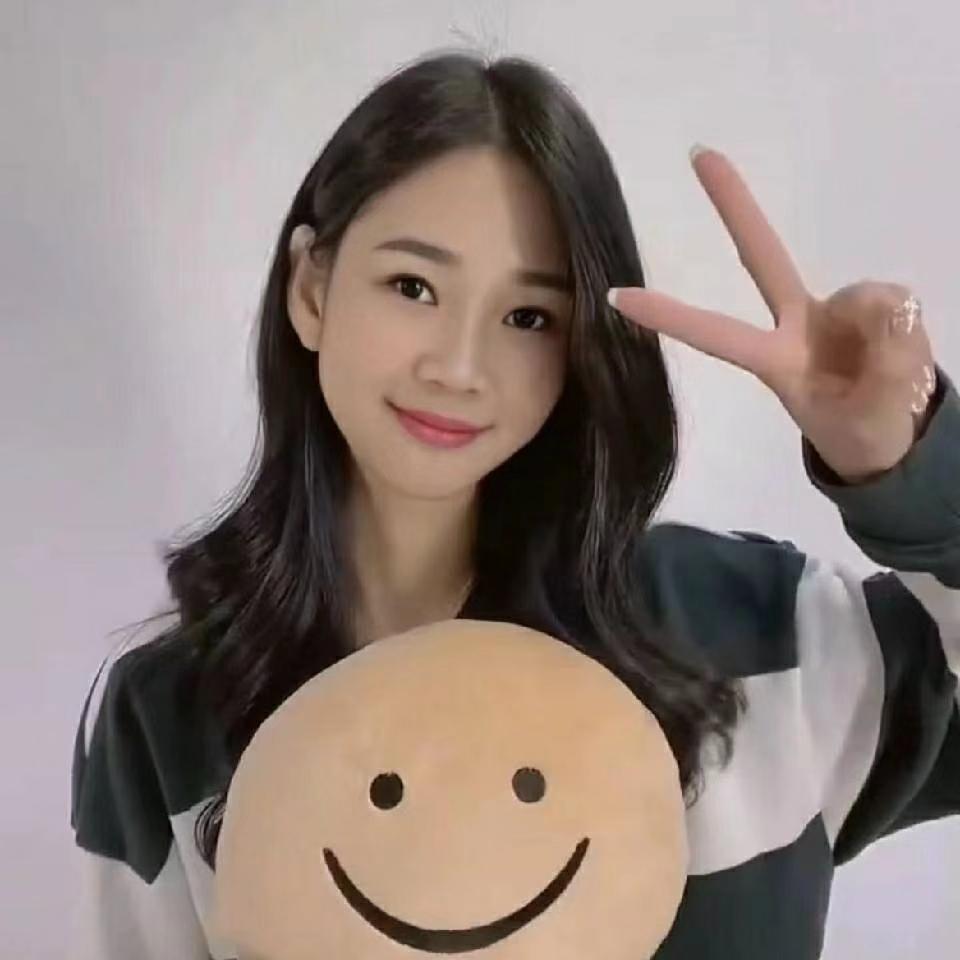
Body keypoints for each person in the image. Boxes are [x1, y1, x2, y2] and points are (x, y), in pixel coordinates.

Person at [70, 48, 960, 959]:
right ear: (311, 289)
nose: (459, 367)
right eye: (413, 287)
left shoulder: (759, 635)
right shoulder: (166, 712)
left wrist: (914, 468)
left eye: (528, 317)